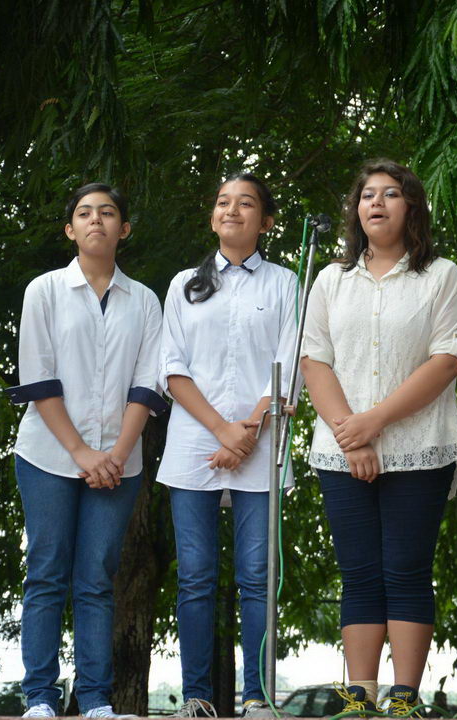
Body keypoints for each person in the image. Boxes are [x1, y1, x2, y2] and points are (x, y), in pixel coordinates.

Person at [301, 160, 457, 717]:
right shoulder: (331, 280)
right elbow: (314, 360)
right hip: (342, 450)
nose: (376, 202)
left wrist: (373, 422)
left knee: (406, 570)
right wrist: (352, 437)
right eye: (367, 195)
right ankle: (360, 697)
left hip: (419, 447)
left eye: (391, 194)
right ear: (356, 210)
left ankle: (404, 699)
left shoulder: (441, 275)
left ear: (411, 206)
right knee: (358, 574)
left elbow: (447, 360)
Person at [5, 183, 165, 719]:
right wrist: (82, 452)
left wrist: (115, 453)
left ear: (124, 228)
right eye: (84, 213)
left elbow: (146, 385)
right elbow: (39, 378)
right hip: (48, 456)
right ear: (70, 229)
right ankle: (40, 697)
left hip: (120, 461)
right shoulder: (45, 291)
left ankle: (96, 699)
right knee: (47, 571)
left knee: (97, 578)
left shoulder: (144, 300)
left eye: (108, 212)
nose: (96, 220)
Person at [157, 174, 298, 718]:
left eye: (246, 203)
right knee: (195, 576)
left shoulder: (285, 283)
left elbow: (289, 363)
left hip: (262, 441)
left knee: (257, 577)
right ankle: (196, 697)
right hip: (194, 443)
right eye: (222, 202)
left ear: (266, 221)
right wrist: (223, 431)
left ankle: (257, 697)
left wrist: (249, 431)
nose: (232, 210)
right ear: (212, 216)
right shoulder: (184, 284)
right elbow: (173, 368)